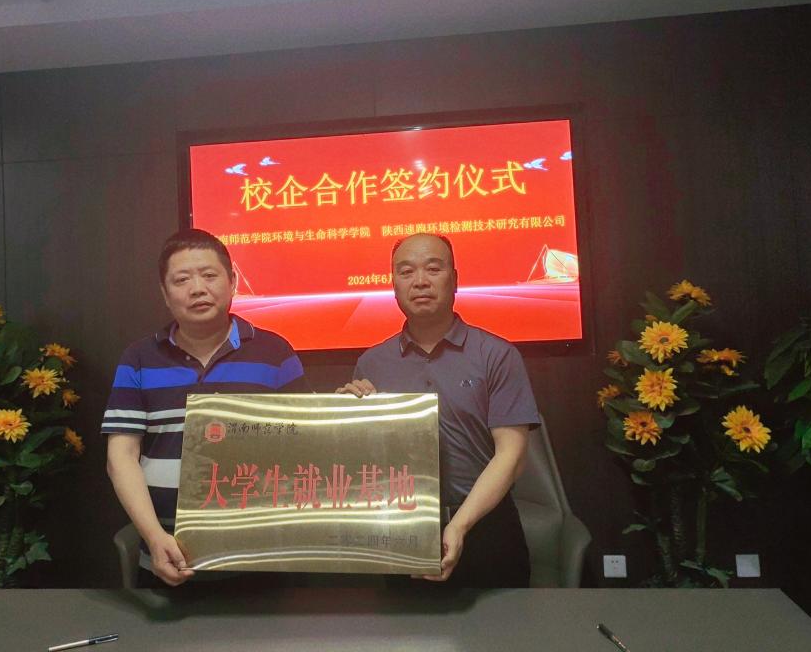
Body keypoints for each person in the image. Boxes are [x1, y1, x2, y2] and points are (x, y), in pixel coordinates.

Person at [102, 228, 309, 587]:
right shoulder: (139, 358)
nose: (197, 288)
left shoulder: (275, 353)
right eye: (182, 280)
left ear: (232, 282)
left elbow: (305, 446)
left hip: (261, 559)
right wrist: (154, 537)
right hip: (168, 555)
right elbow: (121, 456)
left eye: (209, 275)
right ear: (165, 294)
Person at [338, 233, 539, 587]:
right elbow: (365, 462)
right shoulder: (372, 363)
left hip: (485, 527)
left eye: (433, 269)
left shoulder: (496, 355)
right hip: (401, 528)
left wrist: (459, 525)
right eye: (406, 272)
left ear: (455, 280)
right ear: (393, 284)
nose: (420, 281)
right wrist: (347, 418)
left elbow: (513, 454)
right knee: (408, 623)